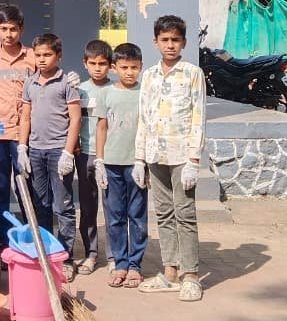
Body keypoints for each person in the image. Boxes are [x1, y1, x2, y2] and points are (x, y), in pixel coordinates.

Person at [135, 16, 206, 301]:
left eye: (175, 40)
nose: (170, 45)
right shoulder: (149, 75)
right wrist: (139, 158)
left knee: (185, 214)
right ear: (155, 42)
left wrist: (194, 160)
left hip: (181, 156)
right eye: (164, 40)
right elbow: (144, 117)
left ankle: (191, 276)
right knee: (164, 214)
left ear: (184, 43)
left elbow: (199, 116)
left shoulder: (192, 73)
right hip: (155, 154)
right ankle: (170, 272)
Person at [18, 33, 82, 282]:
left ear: (59, 56)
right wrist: (22, 147)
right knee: (40, 204)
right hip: (35, 151)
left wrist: (68, 151)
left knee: (63, 206)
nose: (42, 59)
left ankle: (65, 257)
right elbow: (25, 117)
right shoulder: (30, 83)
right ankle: (45, 252)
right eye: (38, 55)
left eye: (47, 54)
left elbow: (75, 119)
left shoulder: (67, 82)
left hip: (58, 151)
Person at [0, 4, 35, 246]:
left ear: (21, 29)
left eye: (13, 29)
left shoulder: (33, 58)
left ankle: (34, 236)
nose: (8, 34)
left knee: (27, 187)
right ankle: (4, 239)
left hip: (25, 134)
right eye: (3, 29)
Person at [94, 42, 147, 289]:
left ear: (141, 67)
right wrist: (99, 160)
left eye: (134, 67)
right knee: (114, 216)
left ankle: (135, 265)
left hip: (136, 163)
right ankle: (120, 263)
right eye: (124, 67)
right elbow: (101, 127)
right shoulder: (106, 94)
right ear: (114, 68)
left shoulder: (145, 92)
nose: (129, 72)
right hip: (111, 164)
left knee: (137, 215)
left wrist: (142, 160)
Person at [73, 39, 113, 275]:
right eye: (93, 63)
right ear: (85, 63)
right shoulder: (79, 90)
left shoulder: (115, 90)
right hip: (84, 155)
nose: (98, 68)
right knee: (88, 207)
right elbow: (72, 120)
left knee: (111, 208)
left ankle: (114, 256)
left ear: (110, 65)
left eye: (103, 63)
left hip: (110, 157)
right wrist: (74, 145)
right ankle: (91, 253)